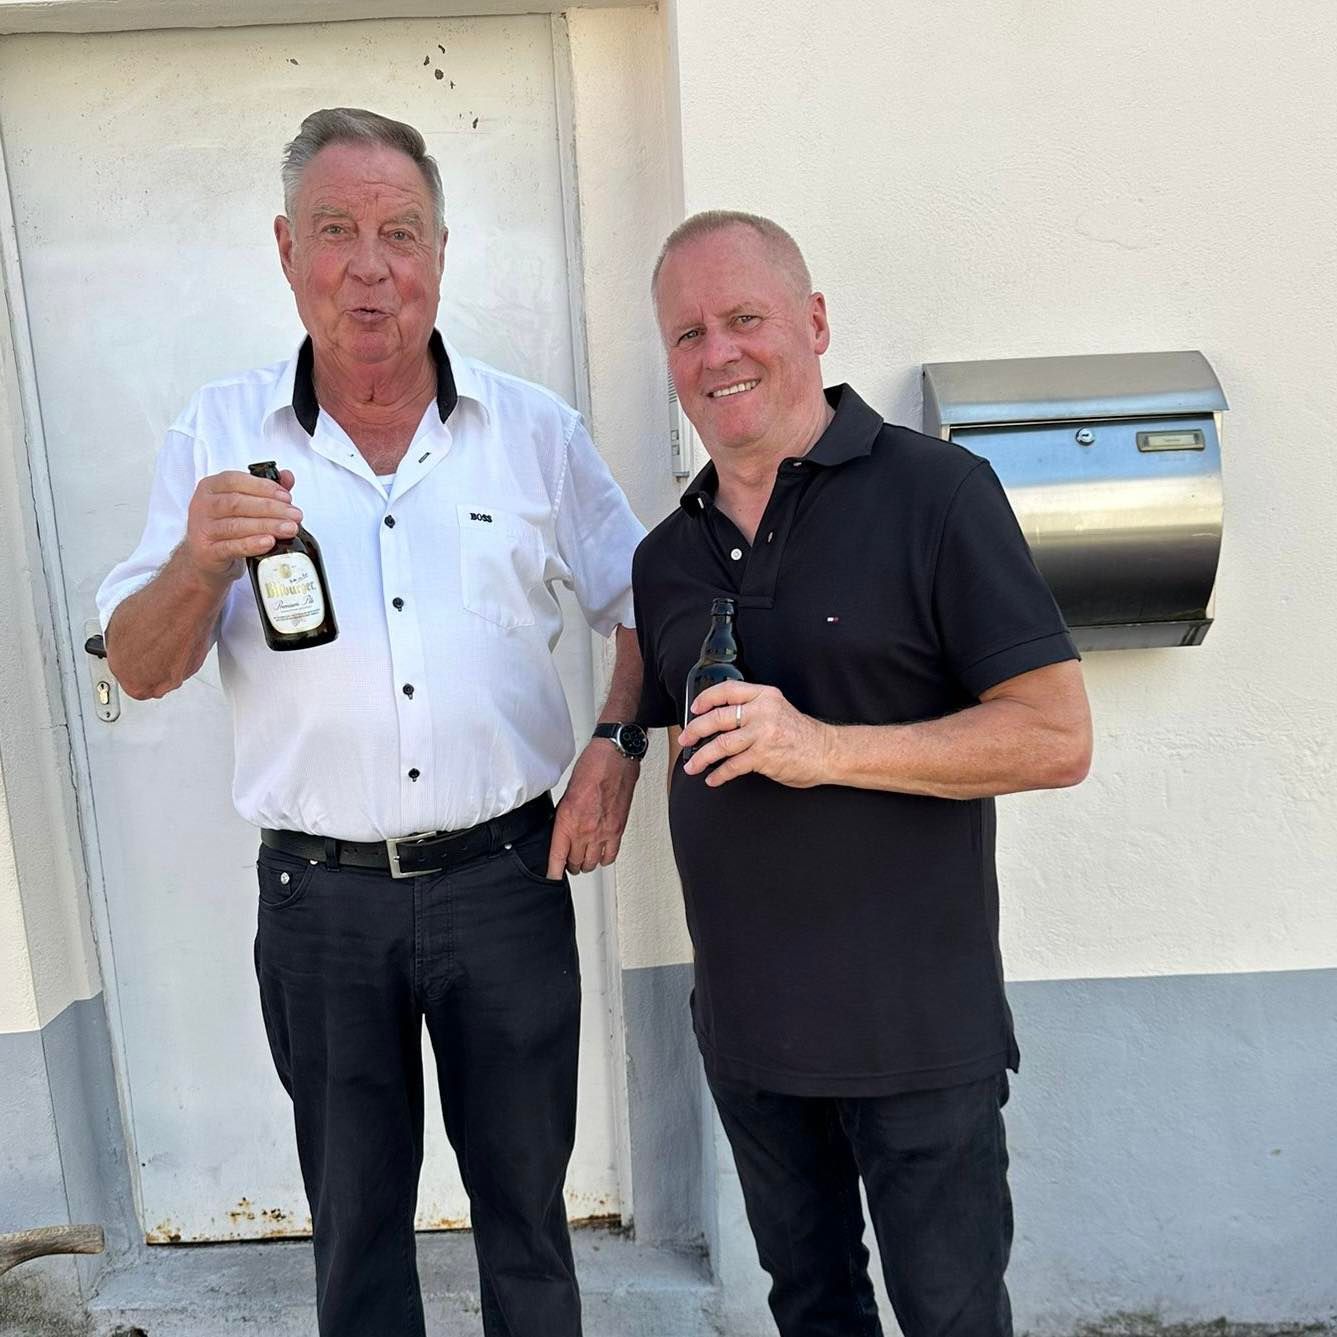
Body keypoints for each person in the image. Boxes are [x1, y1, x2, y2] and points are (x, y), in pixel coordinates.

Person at [98, 107, 650, 1337]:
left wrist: (615, 745)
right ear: (285, 249)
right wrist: (197, 562)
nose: (369, 265)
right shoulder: (217, 435)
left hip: (507, 881)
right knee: (353, 1230)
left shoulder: (534, 432)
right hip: (322, 904)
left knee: (528, 1215)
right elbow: (139, 666)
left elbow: (643, 605)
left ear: (441, 252)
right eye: (336, 229)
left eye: (400, 232)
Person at [632, 211, 1093, 1337]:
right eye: (688, 333)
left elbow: (1053, 735)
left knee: (950, 1317)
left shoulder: (938, 493)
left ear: (815, 321)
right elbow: (652, 683)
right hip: (749, 1036)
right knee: (811, 1309)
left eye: (744, 318)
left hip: (916, 1035)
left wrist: (824, 746)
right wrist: (610, 746)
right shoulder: (666, 554)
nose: (718, 352)